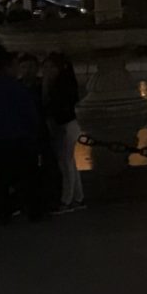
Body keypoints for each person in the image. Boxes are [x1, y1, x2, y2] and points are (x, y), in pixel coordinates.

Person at [0, 49, 46, 222]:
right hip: (21, 139)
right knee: (28, 178)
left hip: (0, 141)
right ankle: (33, 212)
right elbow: (30, 115)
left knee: (1, 180)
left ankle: (3, 213)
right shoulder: (18, 88)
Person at [43, 53, 83, 212]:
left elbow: (55, 107)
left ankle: (66, 200)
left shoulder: (61, 86)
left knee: (65, 162)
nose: (47, 70)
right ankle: (78, 198)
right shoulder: (61, 83)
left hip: (67, 125)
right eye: (45, 67)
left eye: (51, 67)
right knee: (69, 161)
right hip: (68, 124)